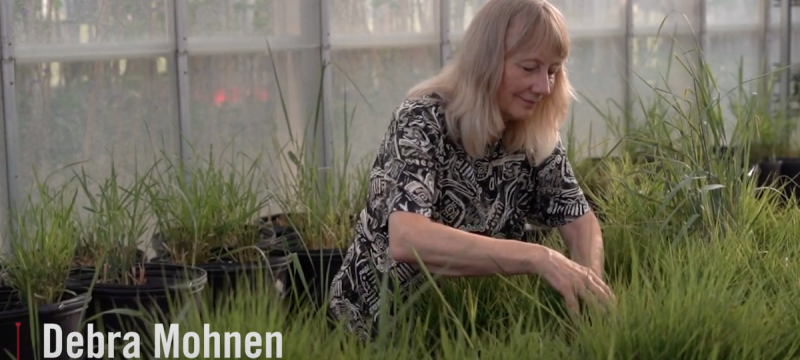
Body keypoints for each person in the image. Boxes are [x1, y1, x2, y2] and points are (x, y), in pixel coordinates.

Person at [328, 0, 615, 341]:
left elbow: (578, 219)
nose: (544, 87)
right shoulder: (421, 120)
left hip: (468, 326)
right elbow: (407, 239)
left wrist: (588, 289)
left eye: (552, 71)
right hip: (379, 332)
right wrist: (539, 257)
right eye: (529, 68)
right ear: (486, 62)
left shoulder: (532, 133)